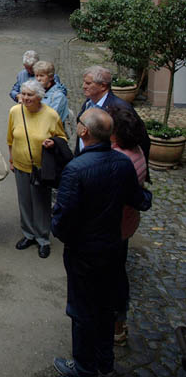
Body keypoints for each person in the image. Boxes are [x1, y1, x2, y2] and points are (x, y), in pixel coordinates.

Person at [51, 108, 152, 377]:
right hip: (112, 246)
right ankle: (105, 362)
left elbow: (62, 219)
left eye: (80, 123)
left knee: (82, 309)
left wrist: (61, 232)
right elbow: (138, 199)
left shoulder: (76, 169)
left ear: (84, 131)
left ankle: (83, 366)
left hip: (83, 252)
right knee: (106, 306)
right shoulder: (122, 162)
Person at [7, 79, 66, 259]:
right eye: (23, 94)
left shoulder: (51, 115)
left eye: (29, 95)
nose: (25, 98)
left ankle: (43, 238)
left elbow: (62, 138)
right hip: (20, 164)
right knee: (24, 201)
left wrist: (52, 143)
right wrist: (11, 158)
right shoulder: (15, 112)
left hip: (41, 168)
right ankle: (28, 234)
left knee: (41, 202)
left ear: (39, 96)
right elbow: (10, 138)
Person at [108, 107, 148, 348]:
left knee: (112, 280)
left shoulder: (120, 161)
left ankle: (115, 325)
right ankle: (117, 324)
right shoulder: (136, 150)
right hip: (124, 225)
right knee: (117, 276)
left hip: (113, 229)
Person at [76, 66, 150, 170]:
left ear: (103, 86)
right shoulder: (89, 103)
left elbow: (142, 140)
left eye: (88, 83)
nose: (83, 86)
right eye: (84, 82)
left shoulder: (119, 109)